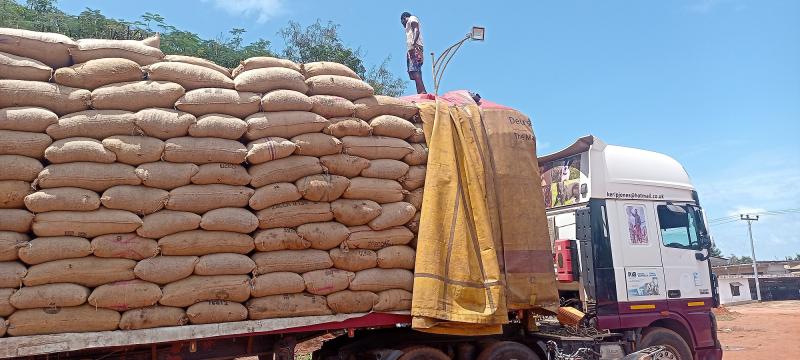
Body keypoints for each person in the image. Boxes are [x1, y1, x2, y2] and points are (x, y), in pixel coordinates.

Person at [401, 12, 427, 94]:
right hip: (412, 49)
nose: (402, 24)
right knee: (413, 72)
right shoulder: (408, 26)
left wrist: (414, 43)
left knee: (415, 71)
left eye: (402, 21)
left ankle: (422, 91)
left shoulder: (412, 19)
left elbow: (416, 30)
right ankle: (420, 91)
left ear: (404, 18)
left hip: (415, 48)